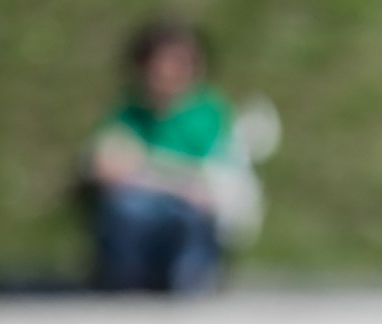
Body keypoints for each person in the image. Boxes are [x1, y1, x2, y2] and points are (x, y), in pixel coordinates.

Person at [86, 20, 256, 294]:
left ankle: (189, 276)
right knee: (125, 209)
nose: (167, 72)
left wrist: (147, 171)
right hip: (143, 209)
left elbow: (217, 182)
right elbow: (106, 163)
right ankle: (127, 277)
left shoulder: (209, 113)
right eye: (159, 64)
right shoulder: (131, 112)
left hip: (189, 215)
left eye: (177, 64)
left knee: (186, 222)